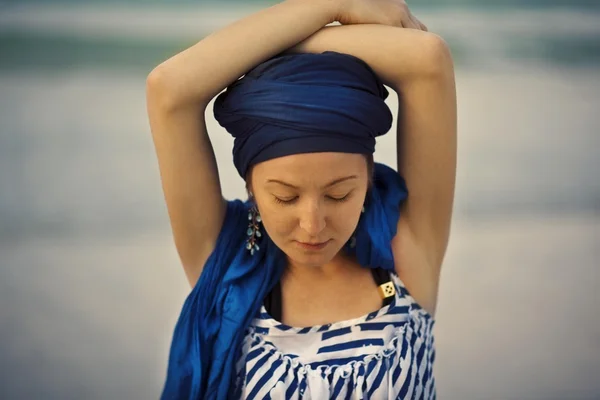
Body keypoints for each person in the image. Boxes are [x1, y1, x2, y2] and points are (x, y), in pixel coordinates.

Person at [146, 0, 456, 397]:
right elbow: (169, 88)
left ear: (368, 177)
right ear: (250, 187)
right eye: (285, 197)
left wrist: (279, 50)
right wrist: (335, 4)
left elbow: (427, 58)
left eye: (339, 194)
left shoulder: (404, 254)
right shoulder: (225, 268)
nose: (312, 225)